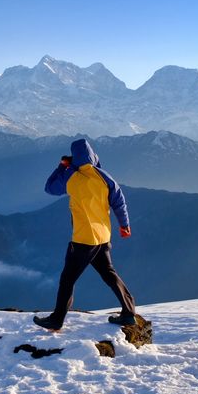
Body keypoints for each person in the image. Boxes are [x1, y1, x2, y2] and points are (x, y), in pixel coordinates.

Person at [33, 139, 137, 331]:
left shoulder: (71, 176)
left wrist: (61, 167)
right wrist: (124, 225)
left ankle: (56, 320)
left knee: (67, 279)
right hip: (103, 235)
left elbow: (50, 188)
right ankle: (129, 313)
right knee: (109, 273)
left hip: (83, 239)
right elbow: (119, 202)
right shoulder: (106, 178)